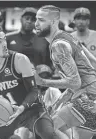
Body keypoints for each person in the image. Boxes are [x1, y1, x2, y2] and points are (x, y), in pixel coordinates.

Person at [0, 23, 60, 139]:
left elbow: (34, 91)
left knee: (49, 134)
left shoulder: (19, 59)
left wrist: (21, 108)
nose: (5, 44)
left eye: (5, 39)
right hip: (4, 114)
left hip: (31, 111)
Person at [35, 5, 96, 139]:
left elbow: (74, 82)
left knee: (44, 127)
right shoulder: (68, 37)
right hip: (88, 96)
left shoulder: (59, 45)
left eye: (41, 20)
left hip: (87, 99)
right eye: (36, 19)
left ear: (52, 22)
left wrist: (42, 81)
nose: (36, 24)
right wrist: (57, 104)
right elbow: (78, 79)